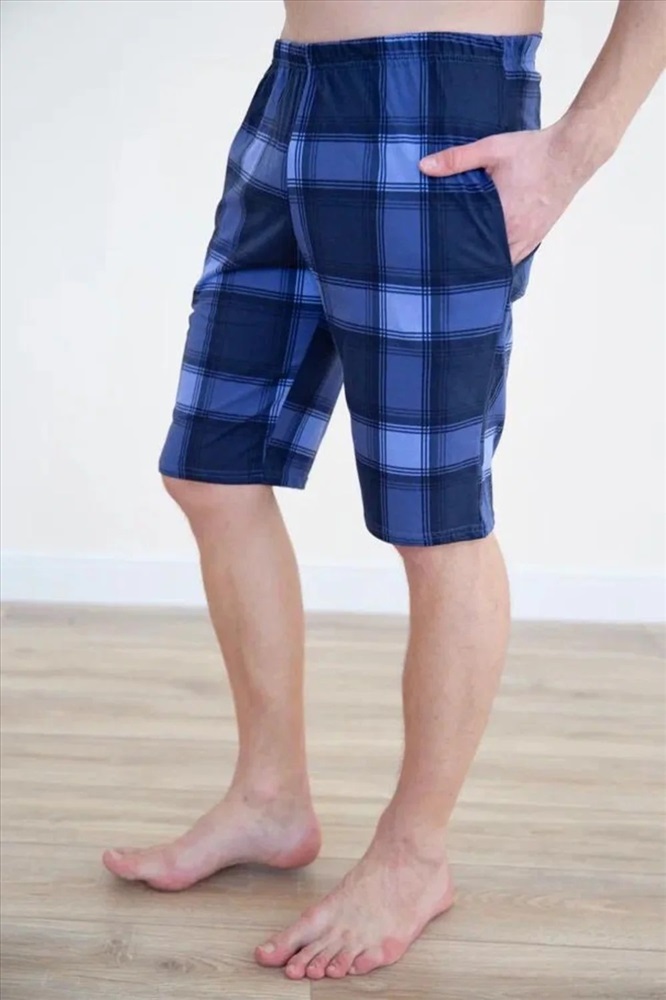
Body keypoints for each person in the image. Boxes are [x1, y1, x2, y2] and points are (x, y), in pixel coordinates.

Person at [103, 0, 665, 982]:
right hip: (293, 92)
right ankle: (269, 798)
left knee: (433, 520)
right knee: (210, 470)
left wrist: (576, 150)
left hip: (440, 105)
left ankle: (414, 857)